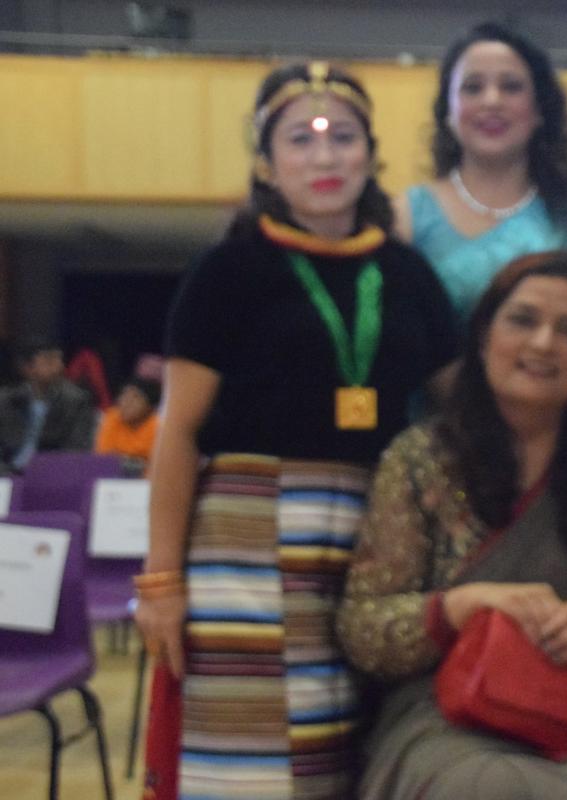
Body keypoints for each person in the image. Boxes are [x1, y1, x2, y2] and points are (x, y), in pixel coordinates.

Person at [133, 61, 459, 800]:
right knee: (251, 763)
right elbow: (177, 432)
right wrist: (161, 582)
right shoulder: (226, 272)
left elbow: (469, 408)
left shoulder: (408, 275)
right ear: (265, 163)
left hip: (379, 532)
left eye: (342, 137)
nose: (323, 156)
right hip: (242, 541)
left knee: (362, 742)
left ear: (369, 155)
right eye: (300, 139)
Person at [338, 251, 567, 800]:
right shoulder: (421, 458)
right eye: (523, 320)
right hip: (446, 714)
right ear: (484, 338)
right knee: (483, 787)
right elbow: (363, 628)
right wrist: (460, 606)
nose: (543, 343)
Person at [393, 21, 567, 456]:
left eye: (511, 87)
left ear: (540, 110)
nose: (492, 100)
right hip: (446, 455)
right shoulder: (406, 219)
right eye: (472, 87)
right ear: (447, 111)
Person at [0, 338, 97, 473]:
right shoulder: (6, 401)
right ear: (27, 368)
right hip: (7, 475)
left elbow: (76, 451)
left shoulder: (77, 401)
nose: (59, 367)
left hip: (51, 474)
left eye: (60, 360)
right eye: (49, 361)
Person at [93, 376, 161, 473]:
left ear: (150, 406)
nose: (127, 402)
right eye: (124, 395)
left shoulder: (158, 426)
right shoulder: (112, 417)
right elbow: (103, 457)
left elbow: (153, 463)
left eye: (135, 397)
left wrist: (122, 459)